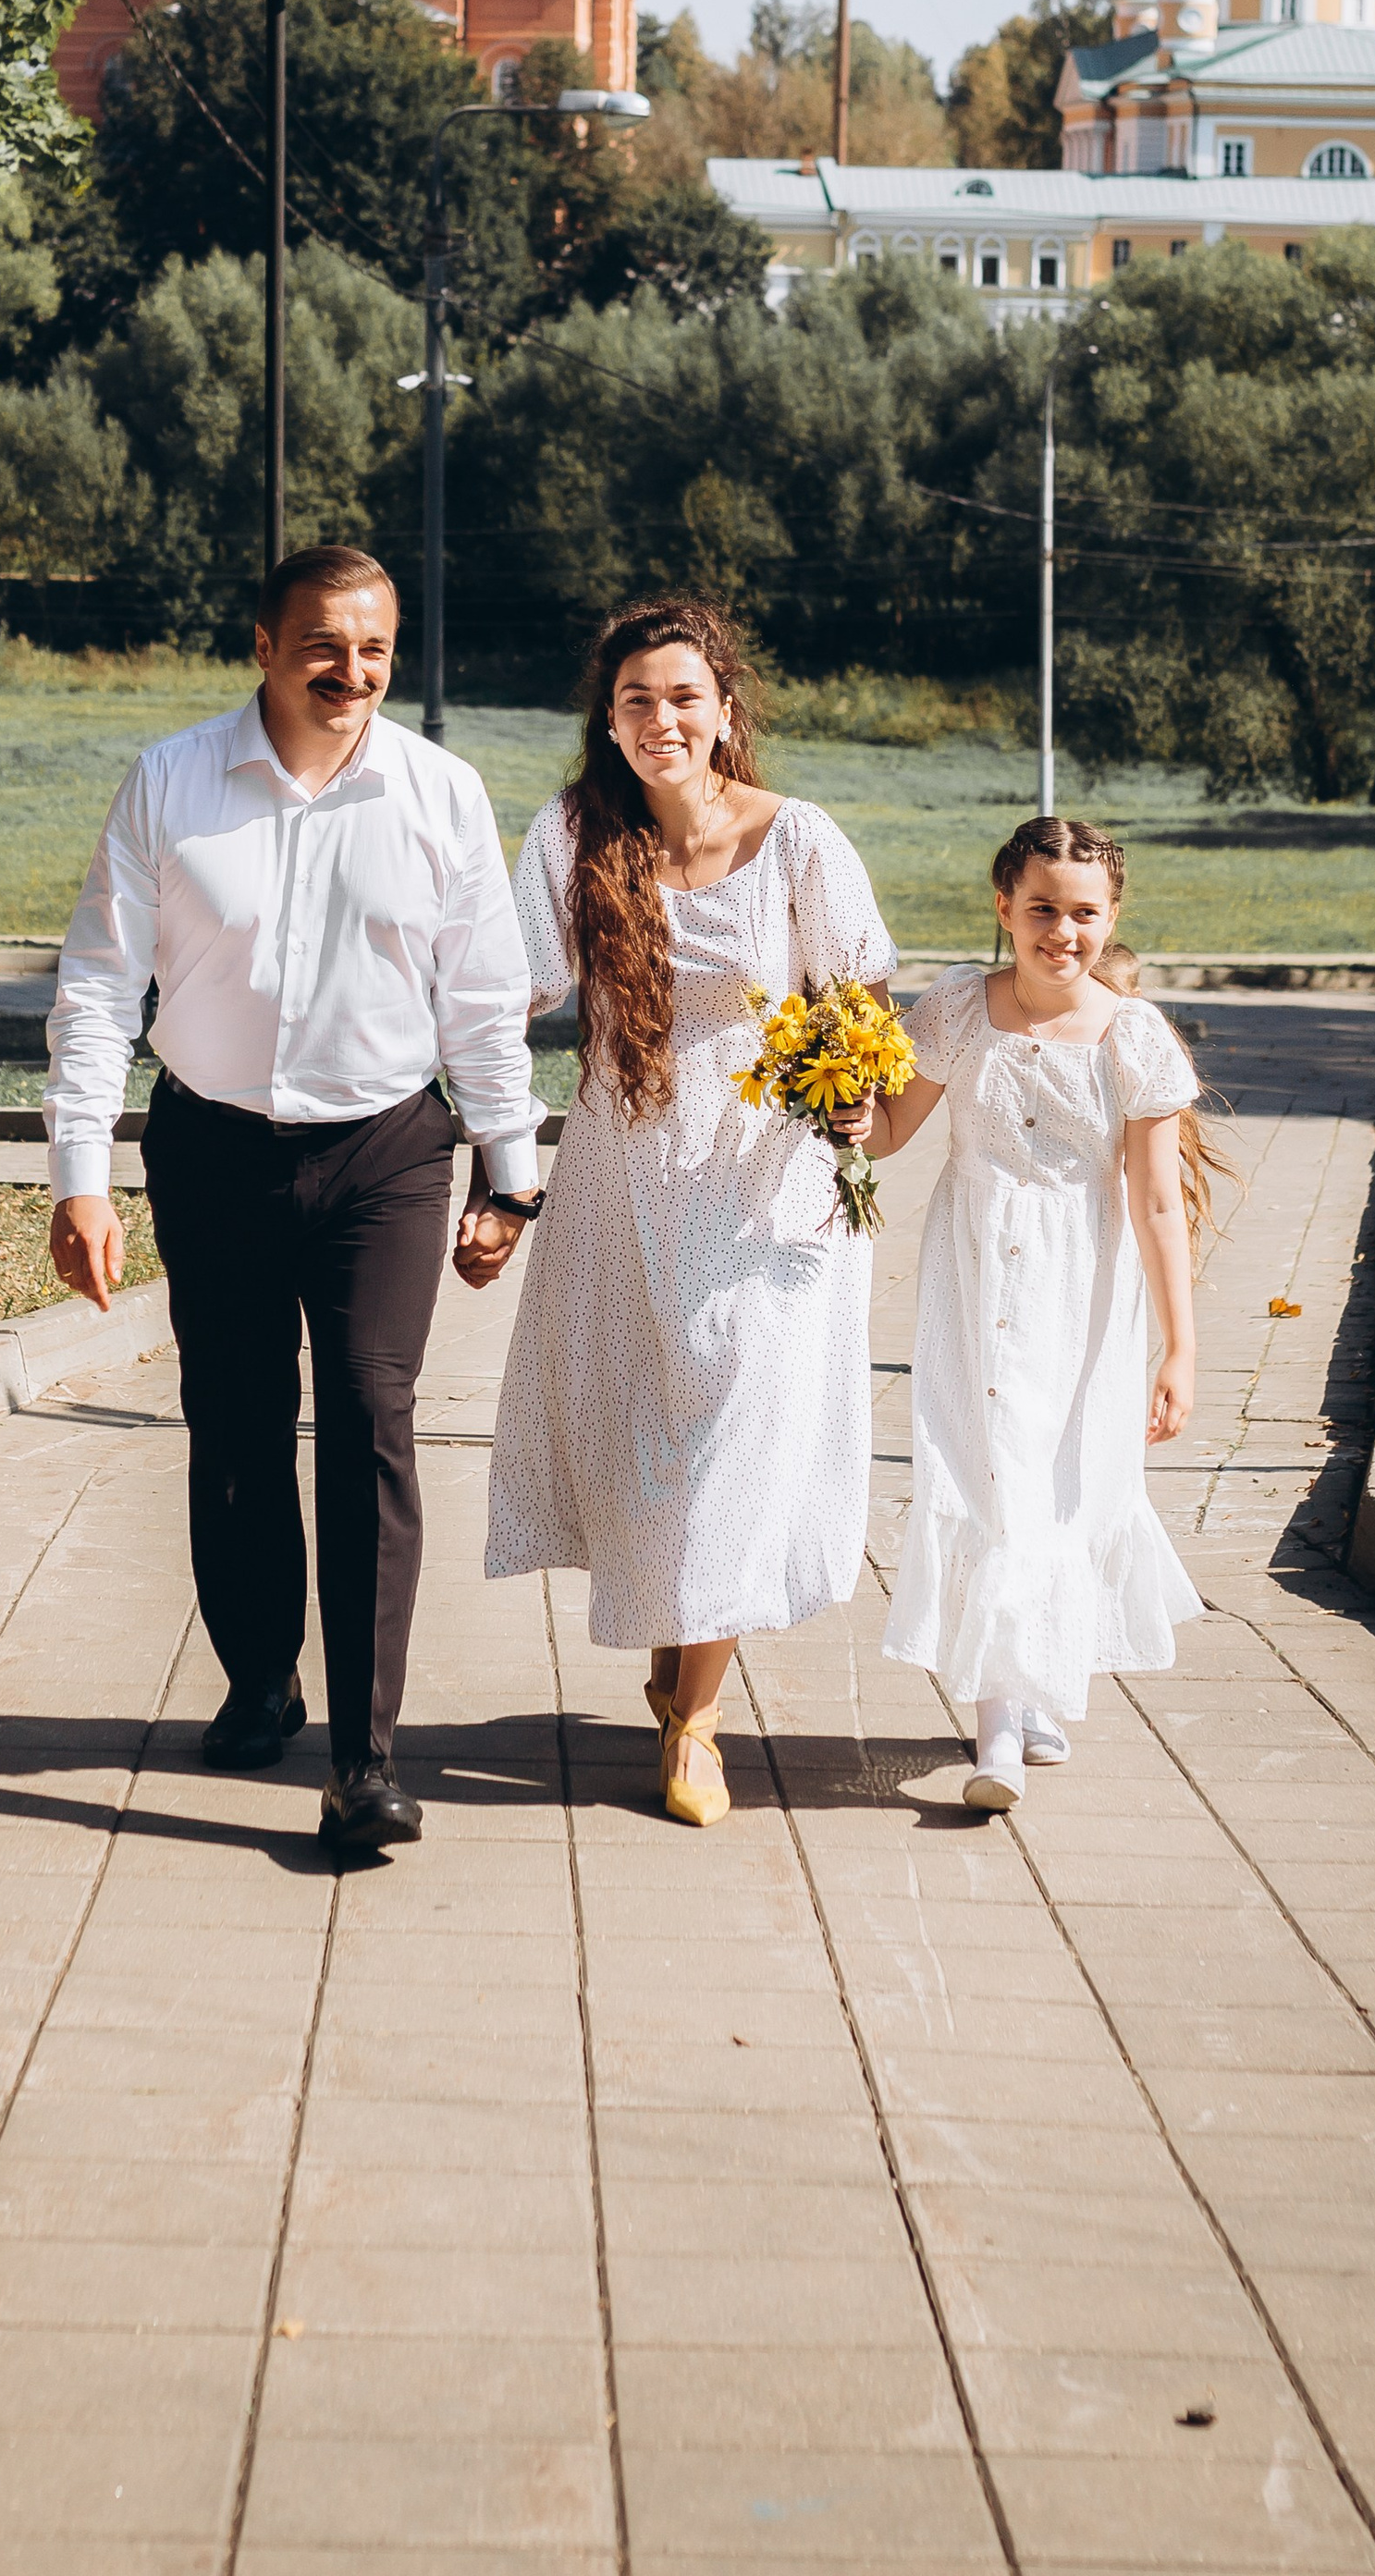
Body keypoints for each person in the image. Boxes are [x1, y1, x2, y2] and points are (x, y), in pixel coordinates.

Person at [45, 546, 541, 1857]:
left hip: (386, 1154)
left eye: (375, 649)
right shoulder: (170, 782)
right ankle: (261, 1675)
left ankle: (365, 1761)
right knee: (236, 1423)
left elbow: (483, 996)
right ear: (263, 645)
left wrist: (510, 1173)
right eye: (324, 643)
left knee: (370, 1420)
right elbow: (98, 986)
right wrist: (80, 1174)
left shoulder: (439, 792)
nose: (352, 670)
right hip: (213, 1149)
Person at [481, 599, 896, 1830]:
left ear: (723, 710)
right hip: (624, 1173)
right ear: (608, 721)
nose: (660, 720)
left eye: (682, 698)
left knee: (735, 1416)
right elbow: (510, 989)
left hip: (769, 1176)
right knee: (651, 1419)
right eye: (635, 702)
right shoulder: (573, 833)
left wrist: (856, 1094)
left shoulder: (796, 838)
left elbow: (864, 994)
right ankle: (682, 1641)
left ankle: (698, 1722)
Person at [869, 816, 1210, 1810]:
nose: (1063, 932)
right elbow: (889, 1131)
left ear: (1113, 915)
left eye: (1085, 913)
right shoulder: (956, 1010)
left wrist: (1179, 1350)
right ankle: (998, 1735)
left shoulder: (1133, 1038)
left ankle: (1036, 1680)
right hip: (971, 1274)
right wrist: (838, 1098)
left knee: (1064, 1483)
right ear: (1004, 907)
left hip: (1081, 1287)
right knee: (987, 1474)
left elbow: (1156, 1203)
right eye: (1042, 910)